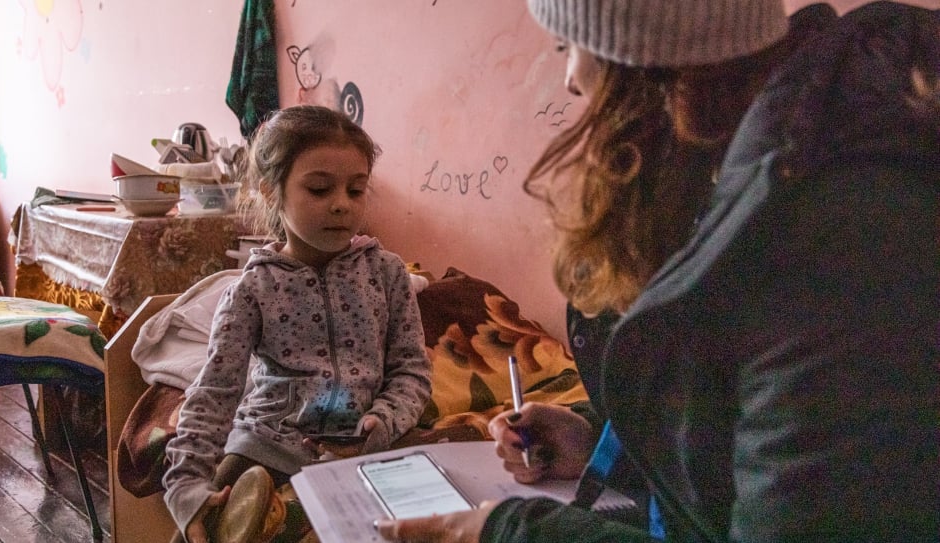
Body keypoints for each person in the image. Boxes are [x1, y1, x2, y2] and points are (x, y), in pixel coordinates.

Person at [377, 1, 939, 541]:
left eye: (569, 46)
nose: (571, 79)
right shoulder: (758, 164)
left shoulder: (831, 232)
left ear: (640, 55)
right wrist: (607, 444)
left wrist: (510, 532)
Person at [163, 105, 433, 543]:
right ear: (271, 192)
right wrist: (187, 482)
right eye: (320, 189)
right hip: (266, 444)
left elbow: (412, 371)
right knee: (200, 528)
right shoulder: (251, 291)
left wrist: (384, 419)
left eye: (356, 189)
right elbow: (213, 394)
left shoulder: (387, 273)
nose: (342, 205)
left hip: (362, 445)